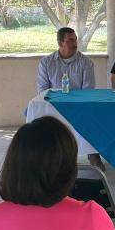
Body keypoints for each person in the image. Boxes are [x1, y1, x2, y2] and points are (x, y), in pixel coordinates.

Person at [36, 26, 103, 170]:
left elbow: (88, 90)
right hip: (54, 105)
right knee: (38, 116)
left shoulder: (86, 62)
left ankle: (93, 153)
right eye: (70, 40)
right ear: (60, 43)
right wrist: (59, 100)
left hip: (79, 105)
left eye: (75, 39)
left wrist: (73, 102)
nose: (75, 43)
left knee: (93, 114)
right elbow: (43, 90)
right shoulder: (46, 63)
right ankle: (48, 158)